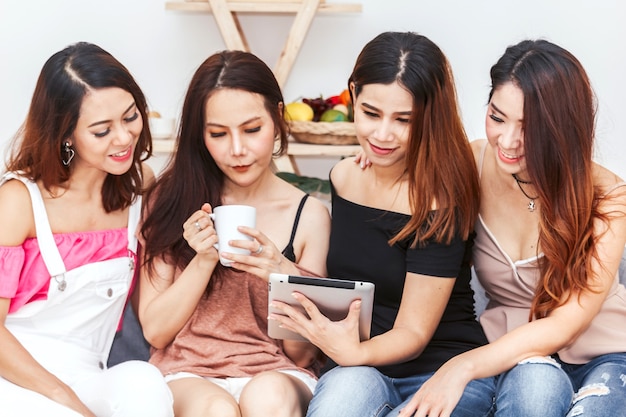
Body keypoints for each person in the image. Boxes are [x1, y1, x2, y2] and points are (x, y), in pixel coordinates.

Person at [269, 31, 495, 417]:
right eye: (371, 113)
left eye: (404, 120)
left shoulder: (439, 198)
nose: (383, 135)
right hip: (360, 365)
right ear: (352, 95)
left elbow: (414, 333)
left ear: (429, 117)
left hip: (441, 367)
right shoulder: (344, 176)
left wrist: (352, 352)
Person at [398, 39, 626, 417]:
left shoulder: (609, 197)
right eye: (497, 117)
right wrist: (373, 159)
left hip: (607, 354)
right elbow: (402, 168)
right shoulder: (470, 163)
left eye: (529, 127)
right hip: (510, 357)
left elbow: (566, 326)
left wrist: (462, 366)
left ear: (563, 128)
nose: (507, 141)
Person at [137, 50, 331, 417]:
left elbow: (302, 353)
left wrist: (280, 272)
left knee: (268, 398)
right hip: (187, 373)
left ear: (276, 119)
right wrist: (204, 258)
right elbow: (156, 332)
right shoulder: (169, 200)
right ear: (200, 135)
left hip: (277, 370)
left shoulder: (309, 215)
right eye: (218, 134)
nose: (238, 150)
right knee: (216, 411)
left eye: (252, 129)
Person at [0, 42, 174, 417]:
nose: (125, 138)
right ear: (66, 135)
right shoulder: (19, 200)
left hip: (88, 372)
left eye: (130, 117)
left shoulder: (137, 186)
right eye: (101, 130)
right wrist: (62, 397)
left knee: (144, 382)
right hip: (14, 378)